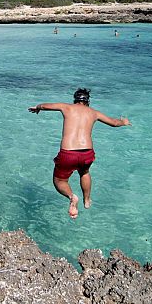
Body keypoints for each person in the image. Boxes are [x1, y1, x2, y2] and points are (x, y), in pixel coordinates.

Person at [28, 88, 131, 219]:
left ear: (75, 99)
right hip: (87, 153)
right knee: (84, 172)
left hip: (68, 153)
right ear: (88, 101)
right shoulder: (94, 113)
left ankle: (72, 197)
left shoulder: (66, 107)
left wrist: (37, 108)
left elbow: (45, 105)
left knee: (59, 180)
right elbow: (114, 123)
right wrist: (124, 122)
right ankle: (87, 200)